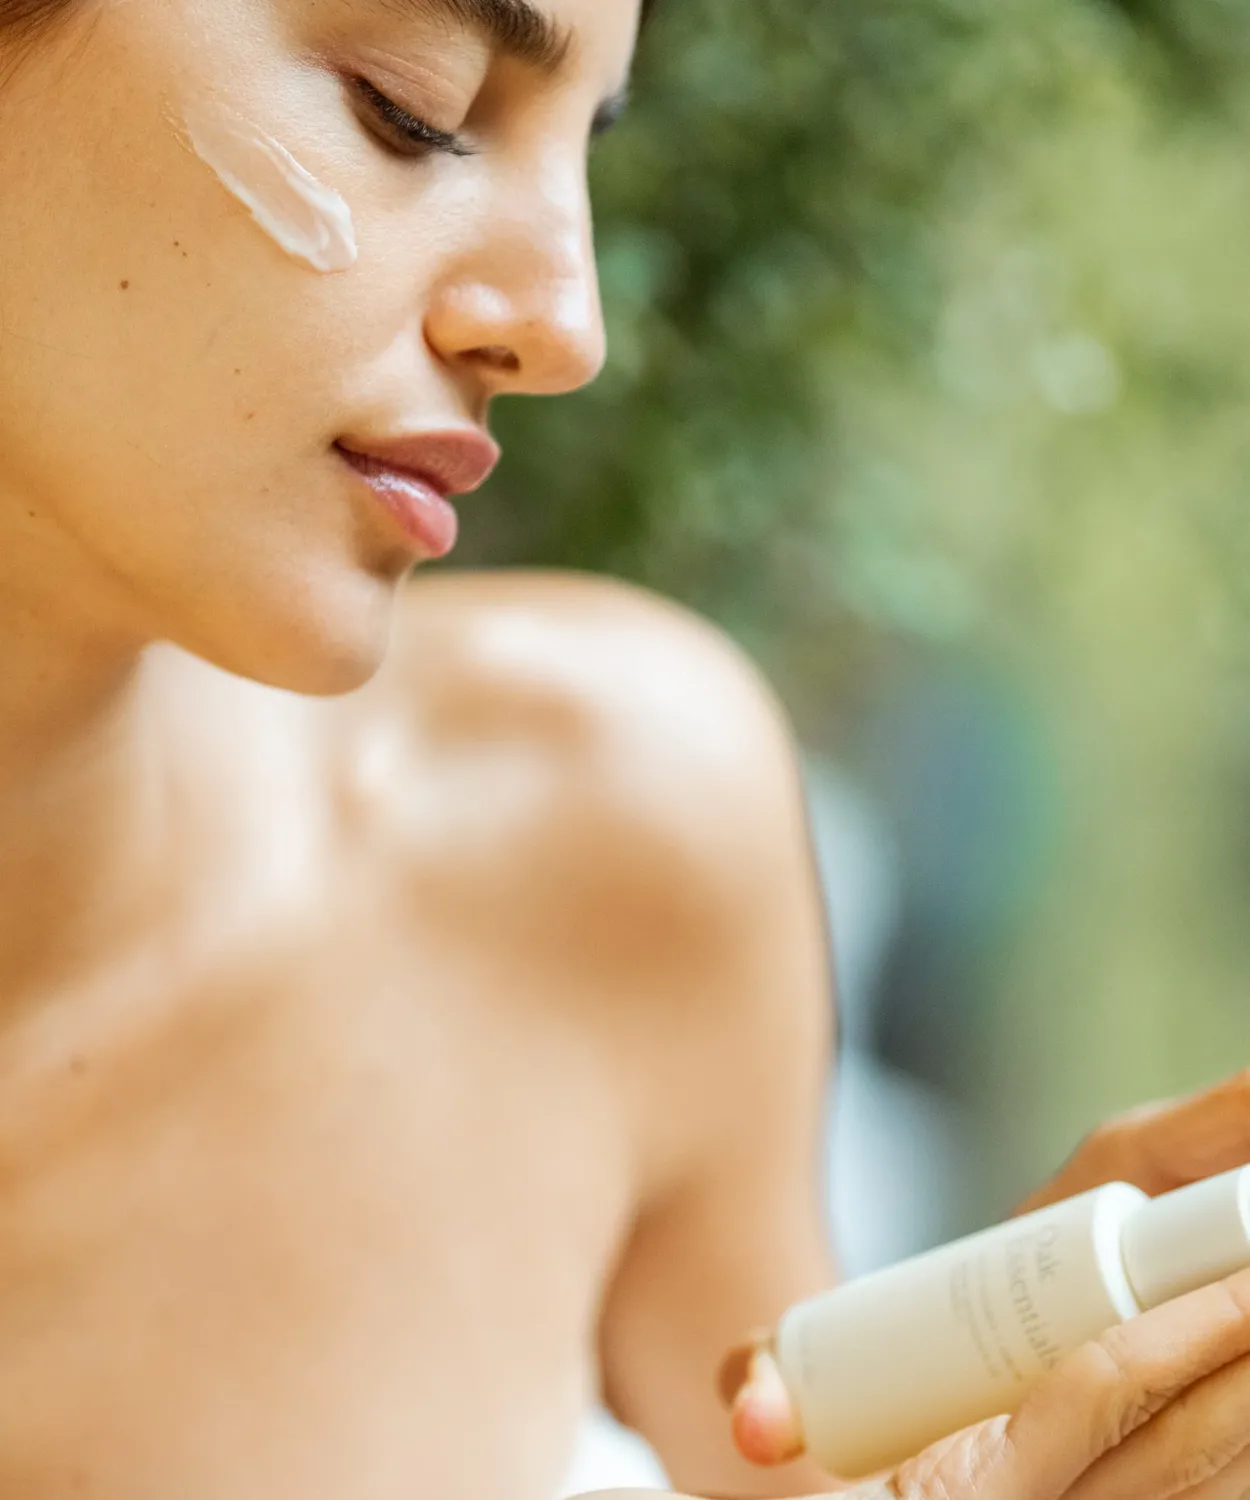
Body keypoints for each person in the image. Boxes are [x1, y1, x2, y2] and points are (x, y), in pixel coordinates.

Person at [1, 3, 1250, 1498]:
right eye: (410, 106)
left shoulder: (591, 836)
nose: (564, 329)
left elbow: (794, 1456)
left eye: (585, 147)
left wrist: (1003, 1427)